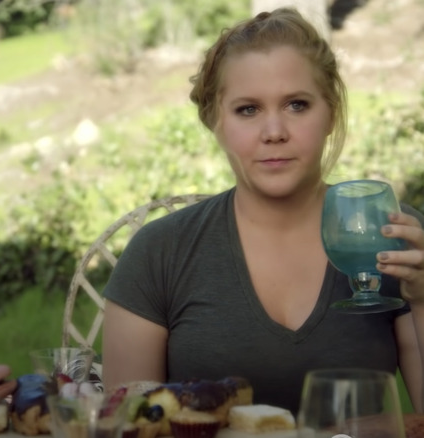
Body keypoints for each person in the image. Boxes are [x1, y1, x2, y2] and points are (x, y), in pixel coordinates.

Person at [101, 7, 424, 414]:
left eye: (297, 105)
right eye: (248, 110)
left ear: (331, 114)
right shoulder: (160, 253)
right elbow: (128, 426)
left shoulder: (390, 235)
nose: (274, 133)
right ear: (215, 122)